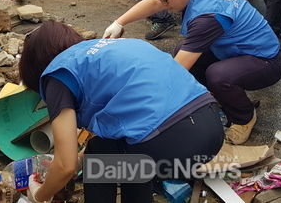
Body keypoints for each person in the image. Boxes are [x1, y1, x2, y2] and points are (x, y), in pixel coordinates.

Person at [19, 21, 224, 203]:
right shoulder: (105, 51)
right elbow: (130, 116)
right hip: (211, 128)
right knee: (118, 152)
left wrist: (39, 195)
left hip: (170, 142)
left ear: (36, 66)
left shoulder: (57, 74)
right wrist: (73, 158)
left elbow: (66, 165)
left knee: (99, 158)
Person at [103, 0, 281, 145]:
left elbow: (176, 71)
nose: (164, 5)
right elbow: (157, 1)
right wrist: (119, 22)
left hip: (266, 61)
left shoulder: (209, 16)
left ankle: (244, 117)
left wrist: (135, 101)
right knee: (181, 49)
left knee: (218, 76)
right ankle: (221, 99)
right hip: (235, 48)